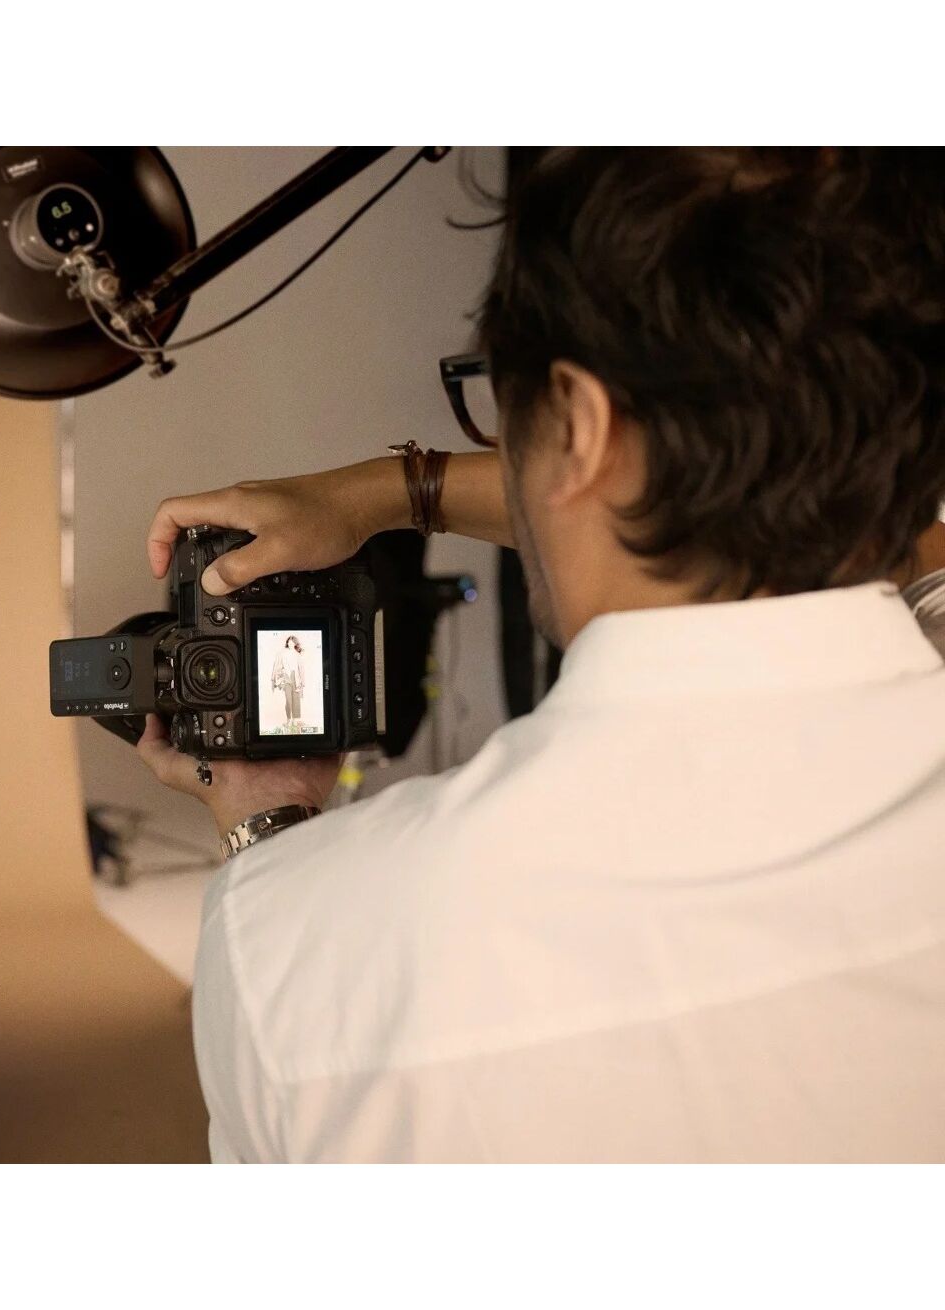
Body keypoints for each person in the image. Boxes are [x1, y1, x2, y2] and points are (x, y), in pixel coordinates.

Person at [137, 148, 945, 1162]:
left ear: (580, 426)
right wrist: (392, 492)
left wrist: (268, 828)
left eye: (499, 410)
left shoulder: (290, 947)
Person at [270, 635, 306, 729]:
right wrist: (274, 678)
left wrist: (302, 682)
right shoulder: (282, 654)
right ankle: (289, 719)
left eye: (292, 642)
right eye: (289, 642)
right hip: (286, 678)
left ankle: (295, 720)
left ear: (295, 643)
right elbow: (277, 666)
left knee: (296, 700)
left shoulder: (298, 655)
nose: (290, 643)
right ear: (287, 643)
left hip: (296, 678)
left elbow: (301, 669)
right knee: (288, 700)